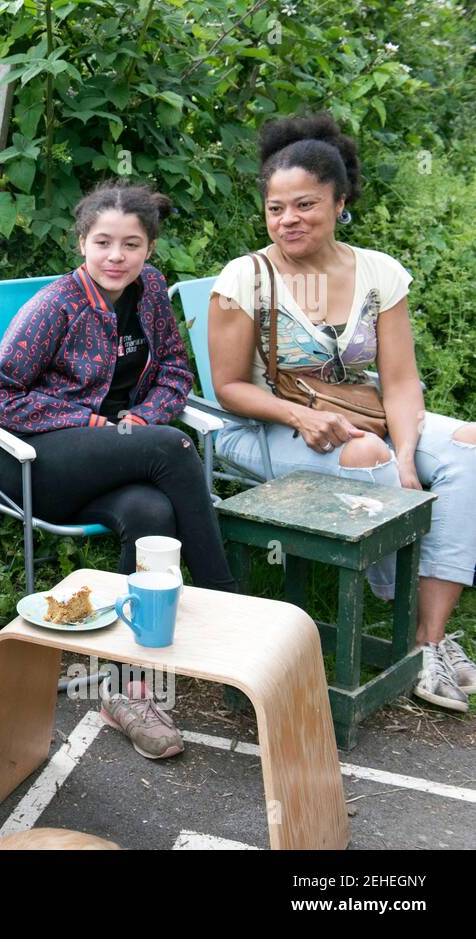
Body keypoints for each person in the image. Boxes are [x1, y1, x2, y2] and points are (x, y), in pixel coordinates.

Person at [209, 112, 476, 714]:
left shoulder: (378, 272)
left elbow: (401, 381)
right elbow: (228, 387)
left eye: (304, 205)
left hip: (365, 411)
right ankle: (398, 597)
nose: (288, 221)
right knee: (364, 452)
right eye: (276, 208)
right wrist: (299, 418)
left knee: (467, 445)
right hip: (267, 424)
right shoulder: (246, 277)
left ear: (339, 201)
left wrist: (408, 458)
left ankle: (425, 638)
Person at [0, 180, 237, 760]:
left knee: (153, 512)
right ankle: (230, 608)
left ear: (148, 250)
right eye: (103, 242)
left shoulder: (149, 292)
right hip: (38, 463)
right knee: (170, 448)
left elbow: (174, 367)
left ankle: (127, 687)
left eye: (131, 244)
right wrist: (90, 421)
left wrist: (144, 416)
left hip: (120, 457)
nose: (116, 256)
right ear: (81, 244)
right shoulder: (56, 306)